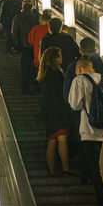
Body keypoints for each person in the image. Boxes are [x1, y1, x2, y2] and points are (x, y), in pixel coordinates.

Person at [67, 57, 103, 206]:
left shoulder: (79, 80)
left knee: (96, 169)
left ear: (79, 69)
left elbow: (74, 104)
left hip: (89, 134)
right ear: (92, 68)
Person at [36, 47, 75, 175]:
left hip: (49, 112)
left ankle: (52, 170)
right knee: (62, 139)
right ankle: (66, 168)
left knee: (52, 141)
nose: (61, 58)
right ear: (55, 58)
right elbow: (63, 93)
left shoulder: (43, 74)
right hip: (60, 110)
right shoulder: (56, 74)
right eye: (59, 56)